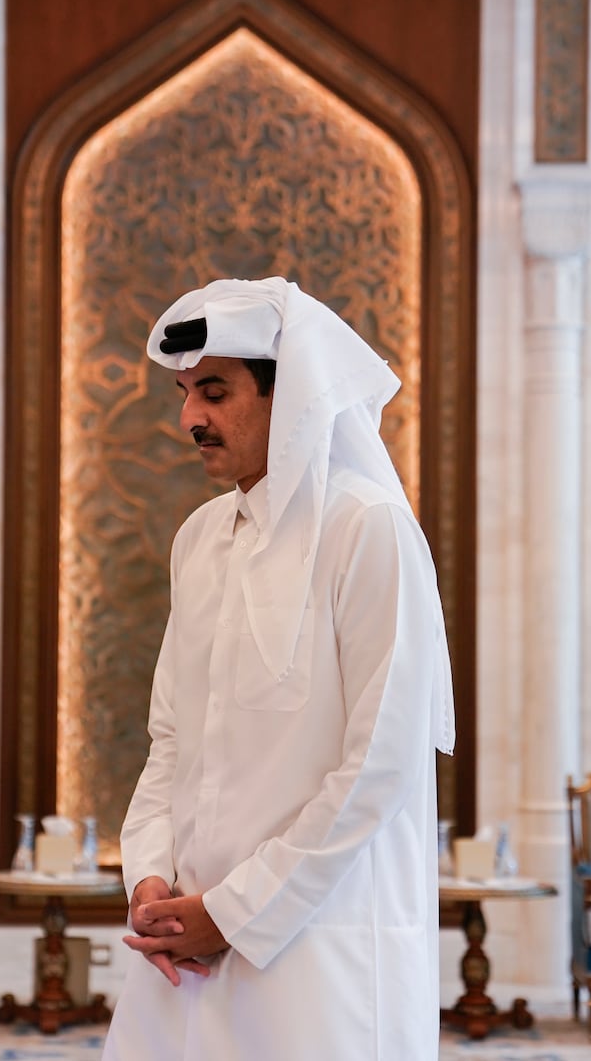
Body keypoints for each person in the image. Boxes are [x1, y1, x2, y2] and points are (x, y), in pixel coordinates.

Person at [99, 276, 455, 1060]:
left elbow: (381, 765)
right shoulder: (198, 539)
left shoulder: (369, 529)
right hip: (184, 956)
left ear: (288, 393)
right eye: (187, 391)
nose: (190, 417)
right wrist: (150, 881)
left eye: (215, 391)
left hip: (319, 958)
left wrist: (235, 913)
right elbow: (169, 740)